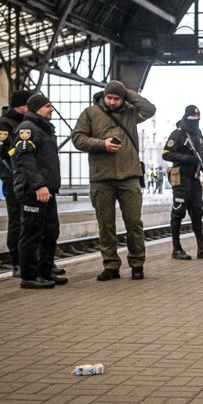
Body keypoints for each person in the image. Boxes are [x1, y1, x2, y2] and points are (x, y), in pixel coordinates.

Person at [72, 80, 156, 281]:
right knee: (106, 225)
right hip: (102, 178)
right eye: (109, 97)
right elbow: (77, 138)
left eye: (116, 98)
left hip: (129, 177)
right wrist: (101, 144)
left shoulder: (130, 113)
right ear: (103, 96)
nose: (112, 102)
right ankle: (110, 265)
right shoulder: (90, 113)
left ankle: (137, 264)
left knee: (134, 224)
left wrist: (125, 91)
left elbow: (150, 109)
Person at [11, 94, 67, 289]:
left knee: (50, 231)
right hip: (33, 190)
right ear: (35, 108)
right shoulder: (27, 129)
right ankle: (29, 276)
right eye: (47, 106)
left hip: (47, 190)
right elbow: (25, 158)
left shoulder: (44, 128)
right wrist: (38, 186)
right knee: (32, 232)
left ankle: (45, 270)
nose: (51, 109)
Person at [162, 105, 203, 260]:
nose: (195, 120)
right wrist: (187, 159)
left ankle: (201, 247)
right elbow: (166, 153)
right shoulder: (178, 134)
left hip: (194, 178)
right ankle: (176, 249)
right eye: (192, 118)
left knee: (197, 212)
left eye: (197, 118)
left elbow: (200, 153)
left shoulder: (198, 134)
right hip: (181, 177)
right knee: (178, 212)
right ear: (186, 117)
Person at [0, 89, 32, 277]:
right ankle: (17, 262)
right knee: (16, 219)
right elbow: (4, 152)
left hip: (31, 177)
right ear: (21, 106)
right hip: (13, 177)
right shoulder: (3, 124)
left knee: (34, 220)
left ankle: (34, 260)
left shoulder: (29, 122)